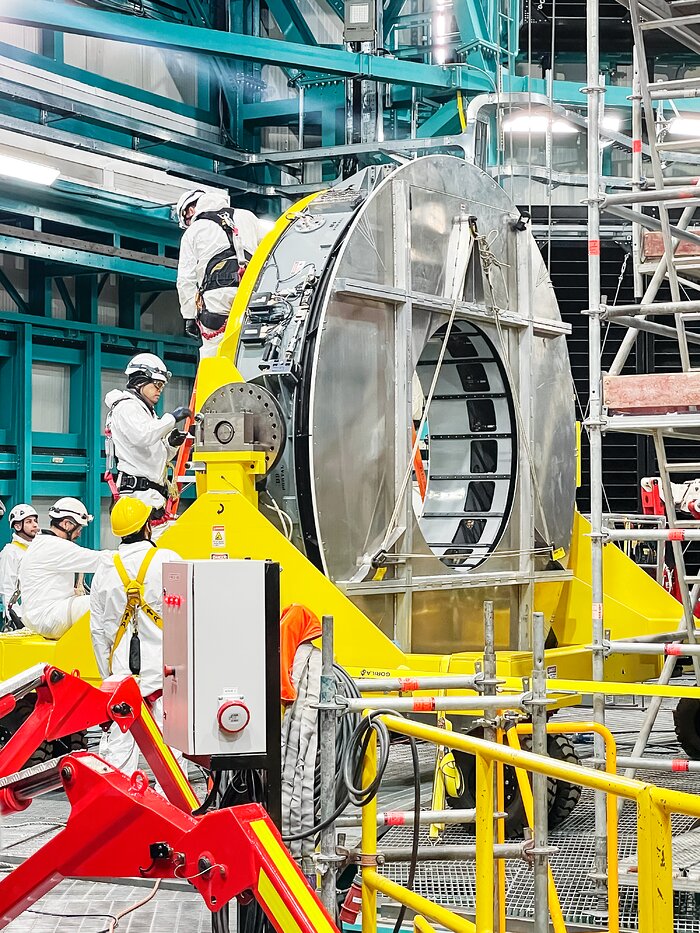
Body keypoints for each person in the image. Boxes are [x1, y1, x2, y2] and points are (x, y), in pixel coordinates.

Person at [90, 496, 184, 777]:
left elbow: (98, 631)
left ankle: (119, 809)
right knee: (172, 754)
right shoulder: (168, 560)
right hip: (167, 675)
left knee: (117, 756)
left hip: (123, 678)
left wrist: (108, 675)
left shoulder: (106, 569)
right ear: (147, 526)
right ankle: (172, 811)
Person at [176, 188, 264, 358]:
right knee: (252, 349)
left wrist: (190, 315)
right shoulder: (247, 217)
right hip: (252, 291)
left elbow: (185, 280)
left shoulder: (193, 231)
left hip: (217, 297)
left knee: (214, 353)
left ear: (190, 210)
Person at [104, 353, 192, 517]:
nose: (160, 390)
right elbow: (143, 436)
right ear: (140, 381)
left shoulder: (144, 412)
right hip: (138, 497)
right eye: (157, 384)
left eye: (162, 386)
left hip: (150, 496)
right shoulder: (126, 407)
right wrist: (172, 418)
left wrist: (171, 445)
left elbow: (154, 457)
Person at [19, 498, 109, 639]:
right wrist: (135, 555)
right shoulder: (54, 546)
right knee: (106, 601)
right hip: (49, 617)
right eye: (78, 528)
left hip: (40, 616)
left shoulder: (43, 543)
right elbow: (99, 560)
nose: (79, 533)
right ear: (66, 524)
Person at [0, 504, 39, 627]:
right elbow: (6, 588)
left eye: (35, 521)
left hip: (39, 614)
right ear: (17, 526)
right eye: (29, 521)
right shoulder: (10, 552)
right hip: (21, 618)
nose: (35, 525)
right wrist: (14, 617)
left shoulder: (38, 549)